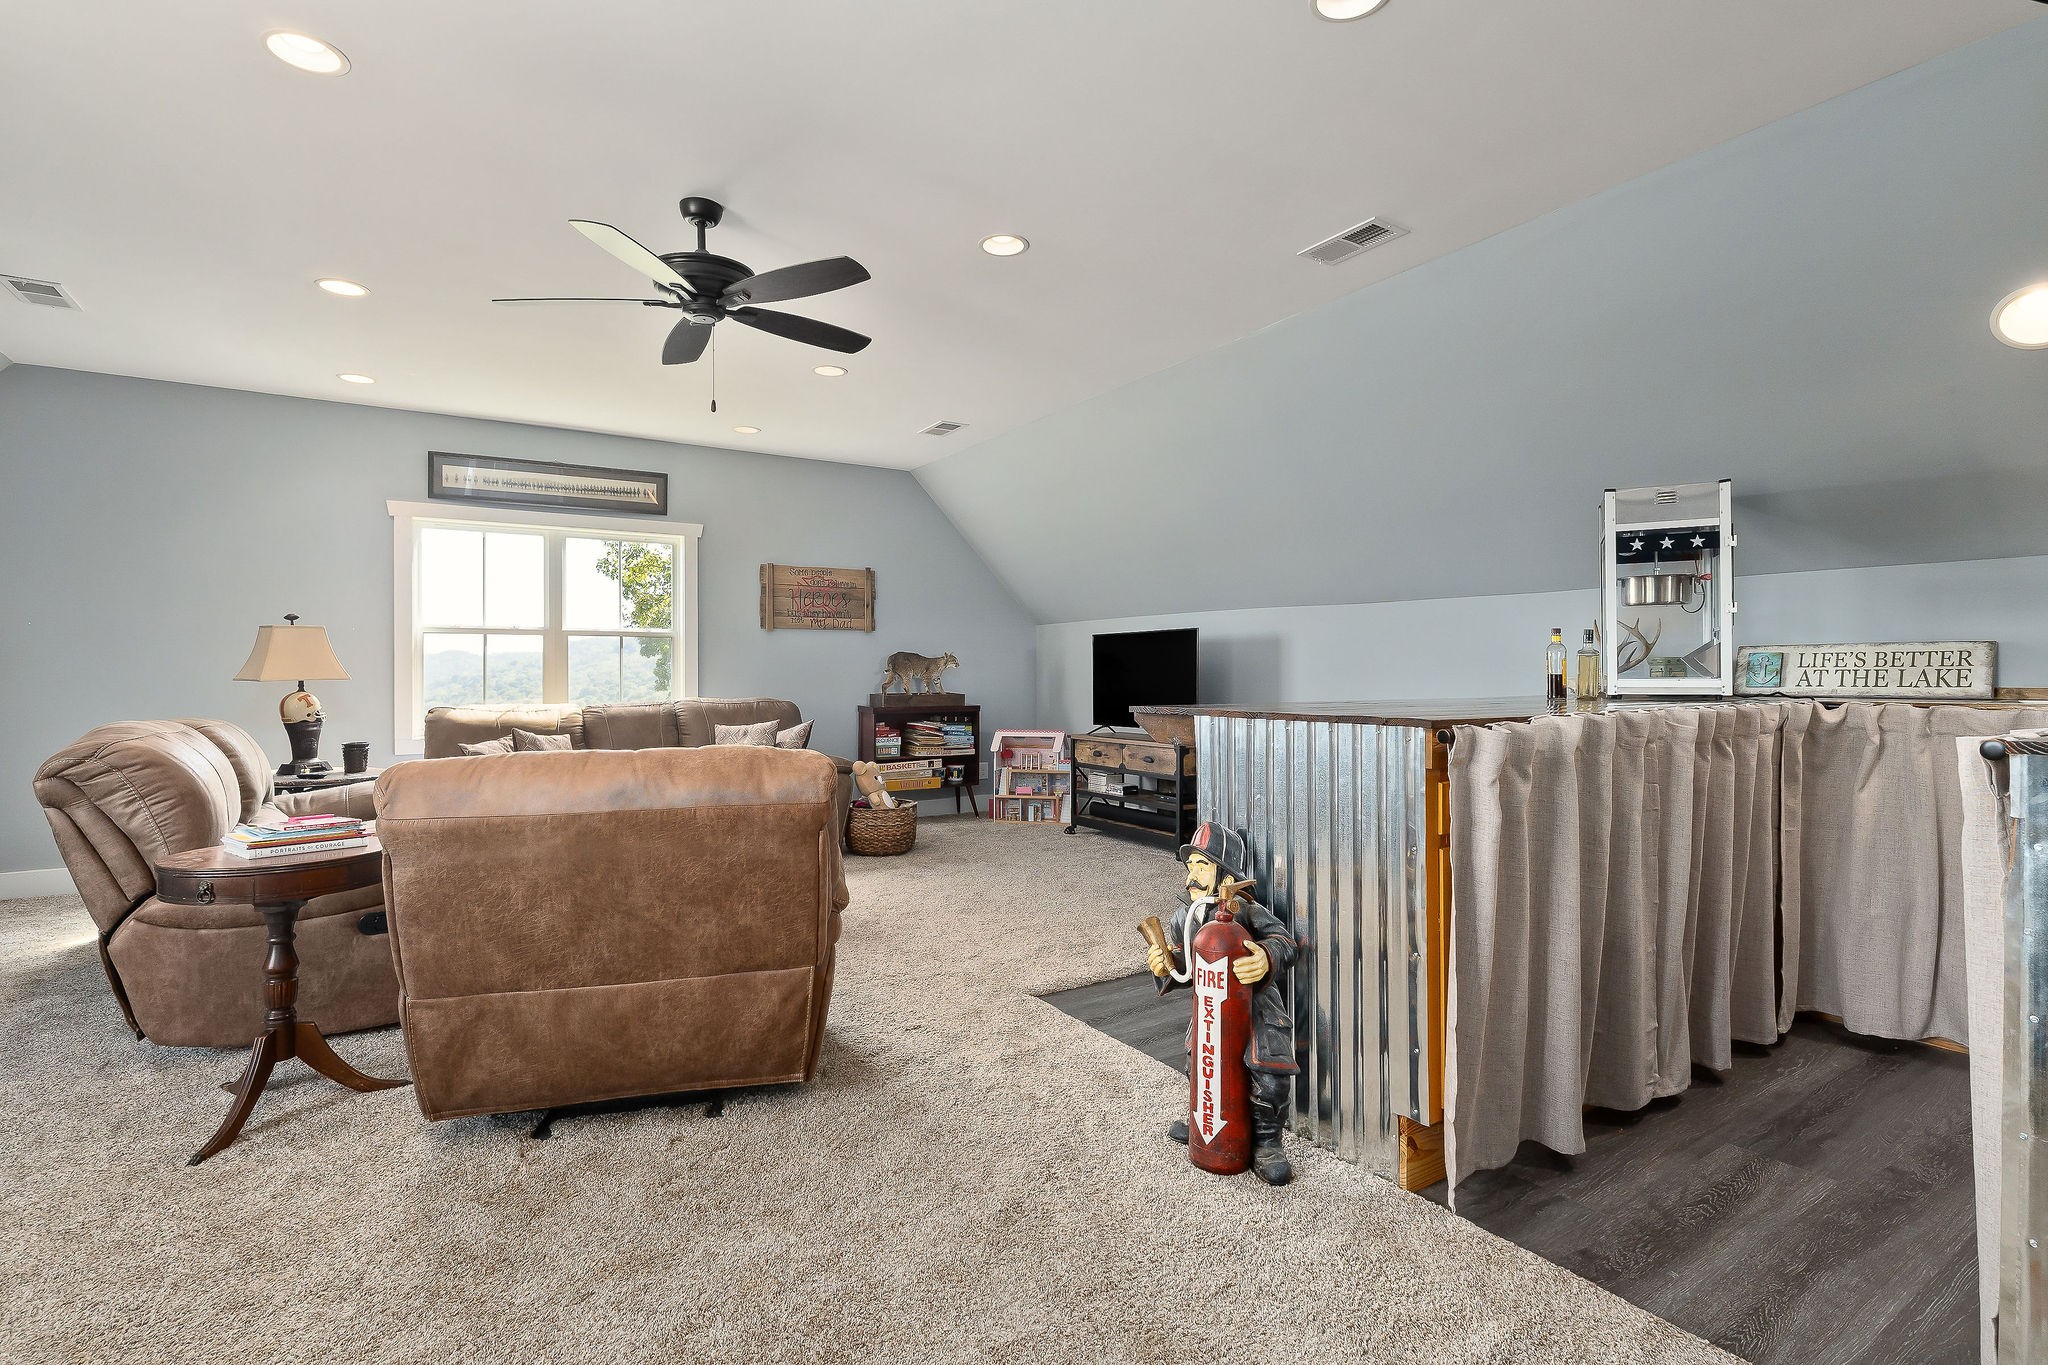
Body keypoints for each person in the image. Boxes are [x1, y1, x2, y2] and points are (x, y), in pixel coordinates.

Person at [1145, 821, 1298, 1185]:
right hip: (1210, 1009)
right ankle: (1205, 1118)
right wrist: (1164, 963)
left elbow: (1284, 940)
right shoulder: (1185, 916)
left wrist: (1265, 955)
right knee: (1200, 1064)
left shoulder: (1246, 910)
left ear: (1225, 874)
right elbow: (1183, 963)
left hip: (1255, 1008)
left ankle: (1267, 1142)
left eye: (1202, 866)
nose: (1191, 878)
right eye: (1190, 867)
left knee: (1268, 1073)